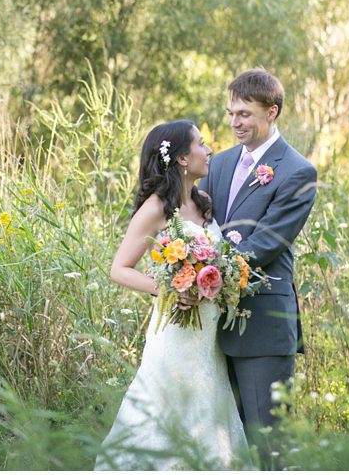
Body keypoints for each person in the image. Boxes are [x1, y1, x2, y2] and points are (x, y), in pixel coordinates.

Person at [94, 120, 250, 471]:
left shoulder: (205, 202)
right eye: (201, 144)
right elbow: (119, 268)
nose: (208, 150)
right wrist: (172, 287)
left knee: (210, 411)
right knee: (167, 413)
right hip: (176, 334)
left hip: (209, 336)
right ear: (182, 157)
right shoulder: (156, 208)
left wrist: (220, 279)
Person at [198, 67, 317, 462]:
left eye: (244, 114)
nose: (235, 122)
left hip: (262, 324)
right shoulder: (219, 164)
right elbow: (200, 226)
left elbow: (267, 242)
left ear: (273, 111)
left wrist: (204, 271)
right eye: (231, 113)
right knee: (221, 447)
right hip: (210, 324)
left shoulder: (298, 171)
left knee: (267, 446)